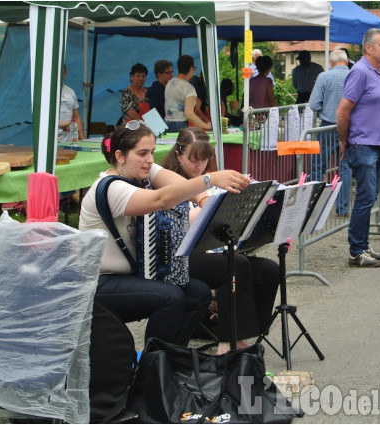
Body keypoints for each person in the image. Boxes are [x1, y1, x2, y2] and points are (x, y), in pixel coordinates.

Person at [78, 120, 251, 346]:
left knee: (198, 293)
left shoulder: (140, 170)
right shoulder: (112, 187)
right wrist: (209, 179)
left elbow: (176, 184)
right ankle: (154, 364)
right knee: (171, 296)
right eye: (142, 153)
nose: (150, 159)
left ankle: (172, 358)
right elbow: (161, 199)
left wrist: (203, 198)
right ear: (120, 156)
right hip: (100, 282)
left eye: (151, 151)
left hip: (128, 276)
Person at [160, 128, 280, 355]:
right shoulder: (168, 180)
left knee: (268, 270)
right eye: (193, 160)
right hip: (178, 255)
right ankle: (227, 342)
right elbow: (175, 225)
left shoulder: (208, 180)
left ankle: (242, 332)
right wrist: (213, 209)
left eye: (204, 159)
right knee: (236, 264)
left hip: (208, 249)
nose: (199, 166)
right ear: (178, 155)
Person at [336, 28, 380, 268]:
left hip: (377, 144)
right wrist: (344, 140)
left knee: (369, 196)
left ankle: (363, 244)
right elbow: (342, 111)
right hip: (363, 144)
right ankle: (356, 251)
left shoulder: (376, 72)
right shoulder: (359, 72)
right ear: (368, 47)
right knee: (365, 197)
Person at [308, 48, 352, 217]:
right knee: (345, 168)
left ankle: (315, 208)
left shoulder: (324, 77)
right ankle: (343, 209)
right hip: (349, 127)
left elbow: (313, 104)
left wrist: (325, 108)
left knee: (318, 167)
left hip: (327, 126)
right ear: (347, 62)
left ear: (331, 63)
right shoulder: (355, 76)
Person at [165, 55, 211, 132]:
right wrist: (205, 125)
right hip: (180, 125)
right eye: (194, 68)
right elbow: (189, 114)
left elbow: (166, 106)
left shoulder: (170, 83)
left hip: (167, 124)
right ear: (191, 68)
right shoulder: (189, 88)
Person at [58, 65, 85, 142]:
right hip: (51, 142)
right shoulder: (45, 92)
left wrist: (83, 140)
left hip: (69, 140)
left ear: (65, 74)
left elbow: (76, 117)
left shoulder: (70, 92)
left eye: (61, 73)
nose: (58, 75)